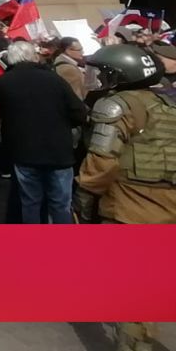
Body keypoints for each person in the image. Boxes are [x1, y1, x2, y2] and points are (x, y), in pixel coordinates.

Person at [76, 44, 171, 351]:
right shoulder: (168, 101)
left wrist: (83, 200)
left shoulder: (117, 105)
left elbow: (101, 163)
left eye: (105, 72)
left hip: (131, 209)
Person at [0, 41, 87, 224]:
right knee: (60, 204)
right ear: (33, 56)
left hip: (24, 153)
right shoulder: (54, 79)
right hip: (58, 152)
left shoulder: (4, 81)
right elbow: (79, 112)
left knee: (30, 203)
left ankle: (34, 245)